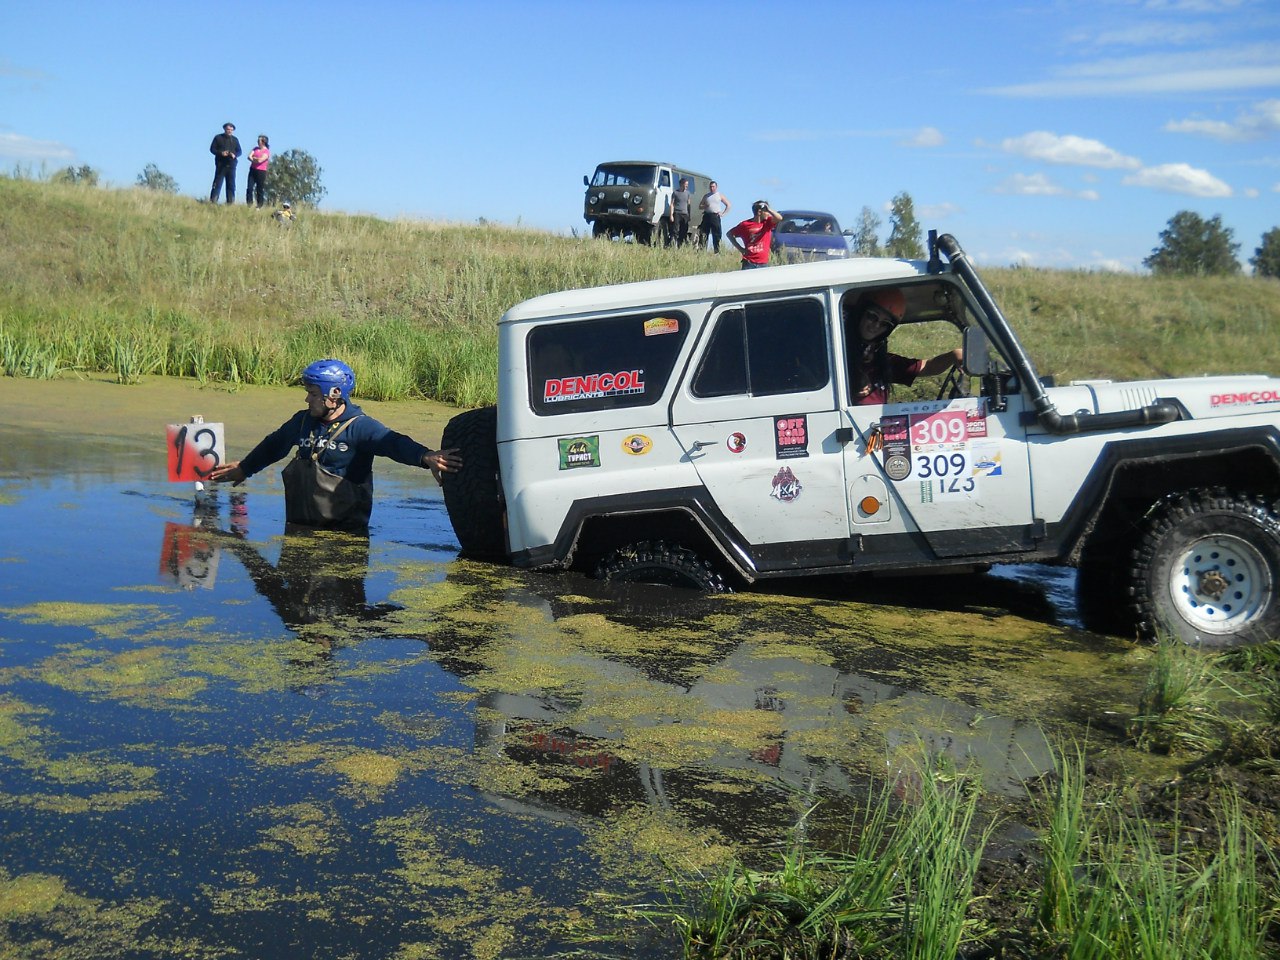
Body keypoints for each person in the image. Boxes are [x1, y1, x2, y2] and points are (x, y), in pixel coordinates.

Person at [209, 359, 462, 530]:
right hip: (298, 530)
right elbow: (274, 446)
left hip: (345, 536)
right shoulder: (301, 422)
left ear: (334, 394)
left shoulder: (360, 427)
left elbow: (392, 443)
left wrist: (425, 456)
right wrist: (245, 468)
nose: (307, 399)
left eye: (313, 393)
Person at [846, 288, 963, 405]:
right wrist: (853, 377)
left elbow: (928, 367)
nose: (876, 325)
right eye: (872, 316)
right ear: (861, 313)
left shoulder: (882, 362)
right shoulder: (839, 355)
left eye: (885, 324)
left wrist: (953, 355)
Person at [727, 200, 784, 270]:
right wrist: (741, 249)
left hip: (763, 263)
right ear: (759, 212)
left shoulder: (767, 223)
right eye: (766, 211)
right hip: (749, 263)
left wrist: (769, 209)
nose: (768, 214)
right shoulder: (745, 225)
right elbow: (729, 234)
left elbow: (779, 218)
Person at [209, 122, 241, 204]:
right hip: (220, 164)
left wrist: (234, 155)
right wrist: (221, 153)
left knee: (231, 184)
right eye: (228, 129)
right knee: (217, 183)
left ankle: (230, 202)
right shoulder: (218, 137)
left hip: (231, 164)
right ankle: (213, 201)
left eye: (231, 130)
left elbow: (239, 151)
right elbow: (212, 149)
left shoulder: (235, 140)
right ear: (224, 129)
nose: (230, 131)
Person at [697, 180, 731, 253]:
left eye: (713, 187)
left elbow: (728, 205)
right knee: (704, 233)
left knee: (716, 234)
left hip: (715, 216)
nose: (712, 188)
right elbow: (700, 206)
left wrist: (723, 214)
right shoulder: (706, 196)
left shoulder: (719, 195)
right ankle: (702, 251)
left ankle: (717, 251)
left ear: (716, 187)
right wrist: (705, 206)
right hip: (707, 216)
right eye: (710, 187)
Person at [246, 134, 270, 208]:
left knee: (259, 189)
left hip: (261, 171)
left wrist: (254, 158)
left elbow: (260, 160)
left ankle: (259, 205)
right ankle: (249, 204)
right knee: (249, 188)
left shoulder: (266, 151)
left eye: (259, 140)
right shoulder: (255, 148)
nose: (258, 141)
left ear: (263, 142)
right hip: (252, 170)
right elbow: (249, 157)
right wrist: (255, 159)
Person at [670, 177, 693, 246]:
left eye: (687, 185)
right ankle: (673, 244)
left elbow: (689, 204)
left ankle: (680, 244)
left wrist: (689, 215)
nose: (687, 186)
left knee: (684, 230)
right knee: (675, 230)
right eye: (686, 184)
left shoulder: (688, 193)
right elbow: (672, 204)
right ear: (681, 184)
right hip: (677, 213)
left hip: (685, 214)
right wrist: (671, 215)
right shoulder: (675, 193)